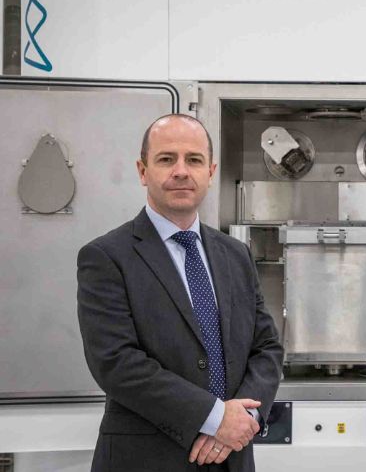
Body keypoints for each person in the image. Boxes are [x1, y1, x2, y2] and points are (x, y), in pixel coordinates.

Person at [77, 114, 283, 472]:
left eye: (194, 160)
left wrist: (243, 418)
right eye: (166, 159)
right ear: (143, 171)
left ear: (211, 171)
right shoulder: (107, 256)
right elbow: (116, 362)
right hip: (147, 459)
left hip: (231, 456)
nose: (181, 171)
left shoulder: (235, 254)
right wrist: (215, 417)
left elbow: (266, 348)